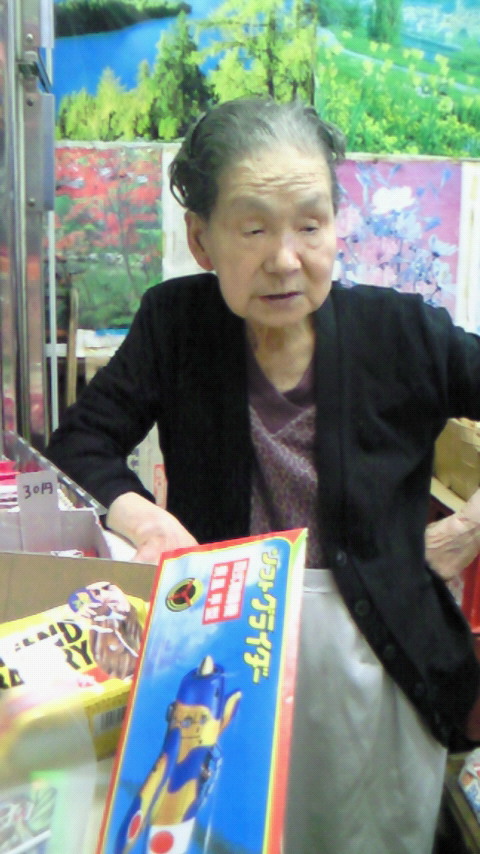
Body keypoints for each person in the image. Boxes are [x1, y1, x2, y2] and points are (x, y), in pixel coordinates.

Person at [46, 97, 480, 853]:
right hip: (223, 655)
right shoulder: (176, 324)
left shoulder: (402, 331)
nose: (285, 259)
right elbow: (81, 440)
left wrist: (465, 532)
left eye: (310, 225)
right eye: (253, 229)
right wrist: (147, 519)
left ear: (336, 224)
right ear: (201, 239)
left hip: (378, 664)